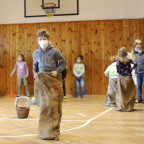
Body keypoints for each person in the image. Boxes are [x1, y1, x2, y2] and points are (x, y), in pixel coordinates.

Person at [33, 29, 66, 140]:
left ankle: (54, 129)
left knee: (54, 105)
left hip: (53, 79)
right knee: (44, 106)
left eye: (44, 39)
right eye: (40, 39)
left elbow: (63, 63)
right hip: (42, 81)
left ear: (48, 39)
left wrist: (57, 71)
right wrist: (35, 73)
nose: (42, 41)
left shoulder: (55, 52)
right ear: (37, 40)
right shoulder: (36, 53)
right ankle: (45, 130)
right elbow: (34, 65)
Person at [116, 47, 137, 111]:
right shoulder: (128, 59)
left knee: (122, 93)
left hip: (122, 77)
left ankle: (123, 107)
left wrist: (118, 72)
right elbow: (135, 63)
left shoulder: (119, 59)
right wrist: (132, 68)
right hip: (129, 77)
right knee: (129, 93)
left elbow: (117, 66)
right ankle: (129, 107)